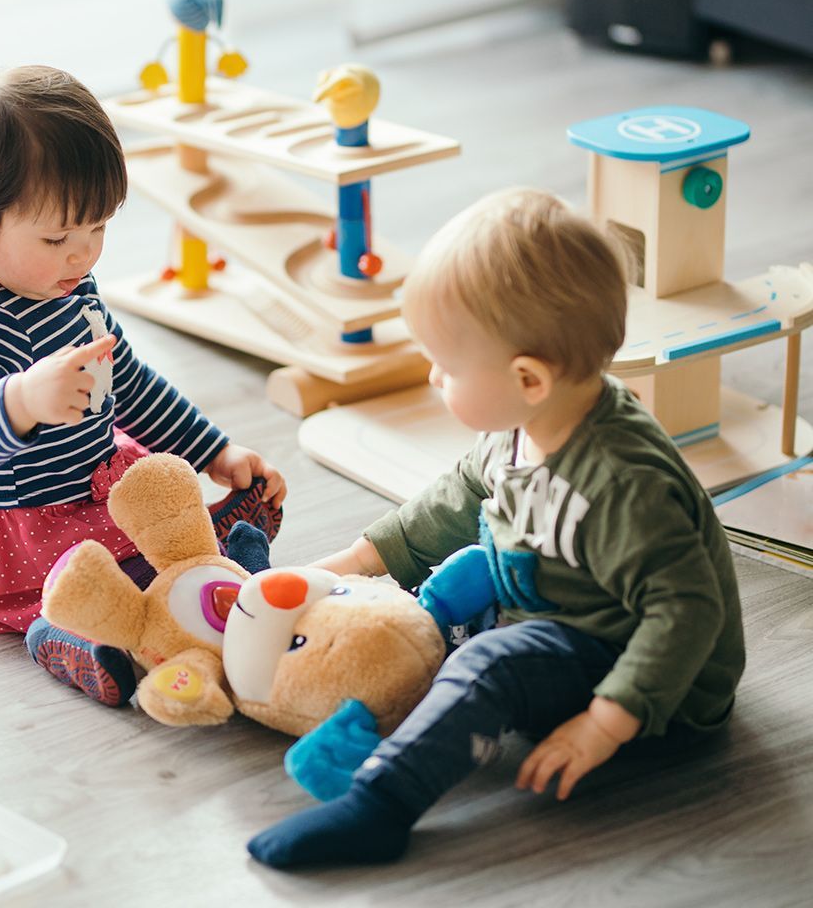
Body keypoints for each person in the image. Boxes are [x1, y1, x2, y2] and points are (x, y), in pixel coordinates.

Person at [247, 187, 744, 868]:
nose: (432, 375)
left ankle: (381, 804)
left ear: (528, 378)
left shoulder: (624, 484)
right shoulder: (521, 426)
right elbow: (457, 496)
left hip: (655, 682)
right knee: (424, 620)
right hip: (552, 610)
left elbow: (687, 611)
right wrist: (350, 564)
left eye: (447, 367)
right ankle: (369, 715)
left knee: (486, 663)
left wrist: (606, 723)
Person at [0, 65, 287, 707]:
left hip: (87, 481)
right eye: (57, 237)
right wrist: (22, 400)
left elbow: (127, 384)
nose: (83, 256)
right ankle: (69, 638)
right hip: (19, 524)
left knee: (157, 513)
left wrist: (215, 452)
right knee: (92, 585)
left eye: (98, 229)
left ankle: (210, 552)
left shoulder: (66, 285)